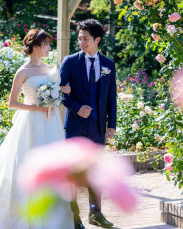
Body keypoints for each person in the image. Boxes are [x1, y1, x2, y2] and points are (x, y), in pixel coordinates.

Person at [0, 29, 74, 229]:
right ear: (35, 46)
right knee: (26, 164)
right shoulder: (23, 72)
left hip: (51, 123)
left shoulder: (51, 68)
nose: (49, 48)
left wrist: (60, 92)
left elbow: (58, 93)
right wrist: (35, 107)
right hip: (31, 122)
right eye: (46, 44)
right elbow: (12, 103)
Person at [60, 19, 117, 229]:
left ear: (97, 40)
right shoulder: (70, 62)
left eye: (85, 38)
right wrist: (76, 107)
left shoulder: (108, 65)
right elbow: (58, 93)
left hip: (97, 126)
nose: (81, 42)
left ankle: (96, 213)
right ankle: (74, 217)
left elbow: (112, 97)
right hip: (75, 125)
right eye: (79, 38)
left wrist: (112, 124)